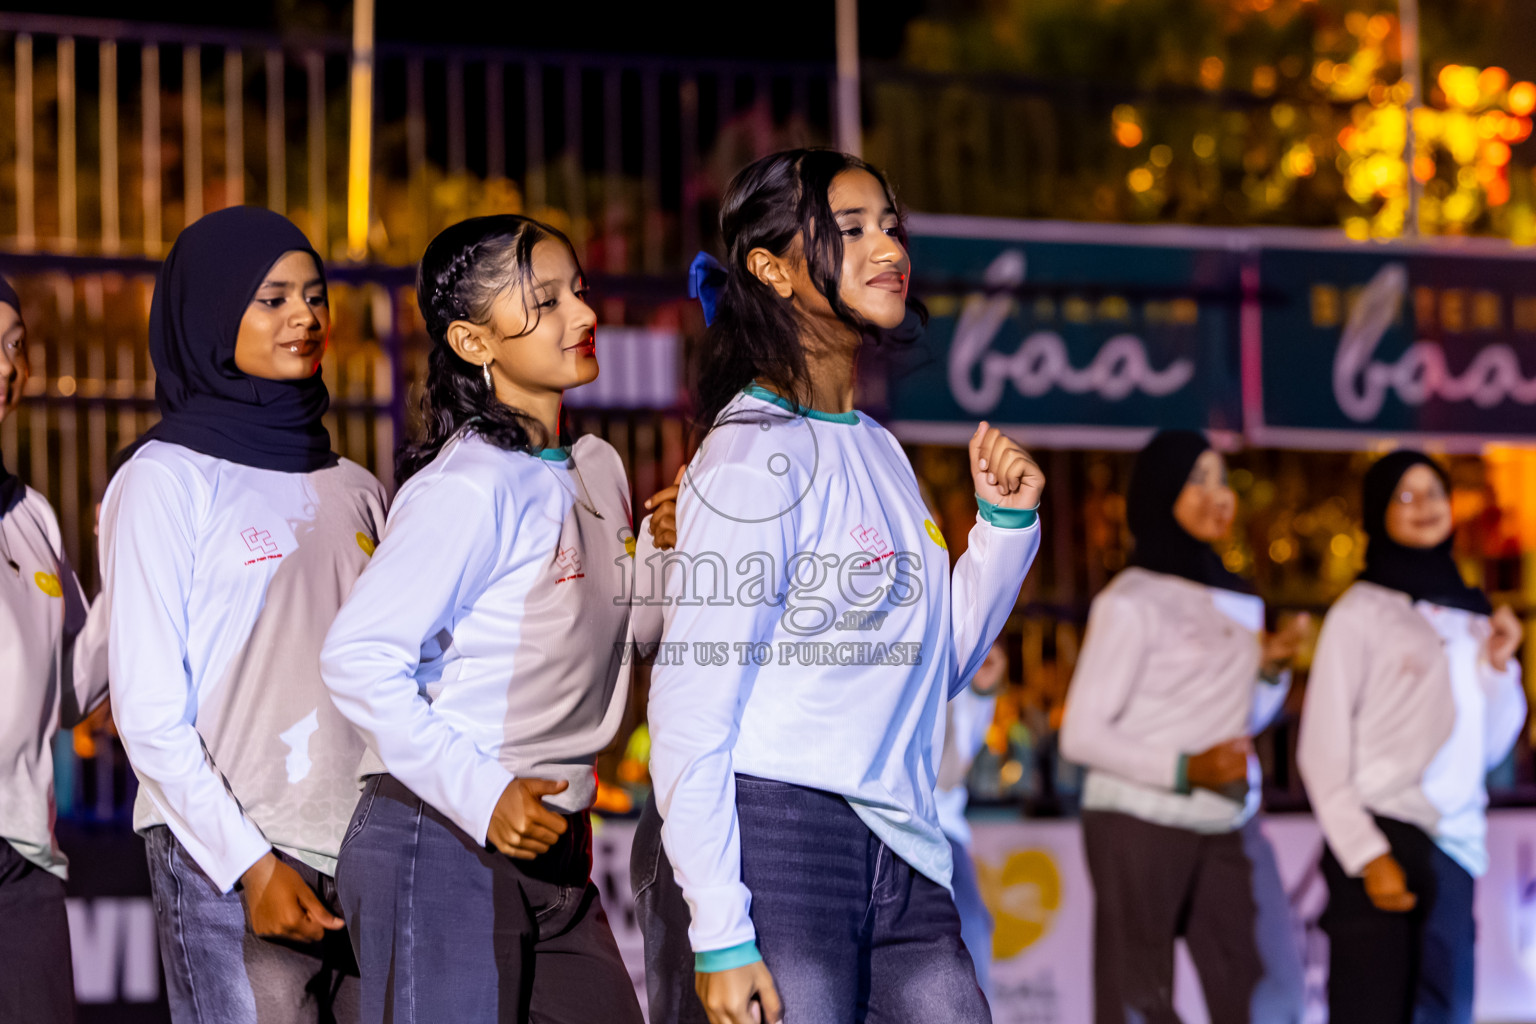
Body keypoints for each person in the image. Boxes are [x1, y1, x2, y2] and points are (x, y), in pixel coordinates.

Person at [646, 148, 1044, 1024]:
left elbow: (927, 667)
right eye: (852, 228)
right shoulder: (753, 453)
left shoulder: (875, 447)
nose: (889, 248)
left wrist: (1004, 535)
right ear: (774, 269)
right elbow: (689, 707)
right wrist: (720, 927)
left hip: (903, 846)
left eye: (891, 226)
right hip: (783, 841)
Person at [320, 214, 655, 1022]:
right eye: (543, 302)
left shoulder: (598, 468)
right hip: (440, 838)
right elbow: (356, 657)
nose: (581, 316)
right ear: (474, 341)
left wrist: (668, 554)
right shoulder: (468, 484)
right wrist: (485, 792)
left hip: (557, 848)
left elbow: (636, 640)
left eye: (578, 291)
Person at [98, 207, 387, 1023]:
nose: (305, 316)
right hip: (229, 856)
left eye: (315, 295)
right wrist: (249, 865)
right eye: (272, 299)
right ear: (213, 314)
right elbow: (148, 711)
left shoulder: (357, 485)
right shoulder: (164, 478)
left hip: (363, 852)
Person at [1059, 430, 1306, 1024]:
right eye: (1196, 480)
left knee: (1271, 994)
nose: (1216, 495)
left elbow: (1235, 721)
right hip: (1136, 818)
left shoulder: (1239, 598)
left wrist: (1270, 676)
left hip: (1226, 814)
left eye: (1222, 480)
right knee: (1139, 1001)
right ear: (1158, 492)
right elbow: (1081, 734)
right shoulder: (1131, 598)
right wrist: (1184, 767)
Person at [1298, 450, 1526, 1024]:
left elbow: (1489, 749)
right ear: (1379, 512)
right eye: (1405, 495)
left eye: (1433, 493)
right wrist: (1367, 853)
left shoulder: (1472, 614)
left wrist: (1499, 668)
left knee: (1447, 1012)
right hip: (1381, 834)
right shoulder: (1360, 611)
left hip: (1454, 845)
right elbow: (1320, 752)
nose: (1424, 507)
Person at [0, 275, 106, 1024]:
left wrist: (130, 575)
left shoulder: (31, 514)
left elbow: (71, 689)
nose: (7, 366)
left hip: (24, 862)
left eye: (14, 347)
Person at [936, 639, 1007, 1007]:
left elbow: (953, 766)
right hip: (867, 820)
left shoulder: (949, 637)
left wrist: (981, 688)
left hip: (940, 829)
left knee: (973, 939)